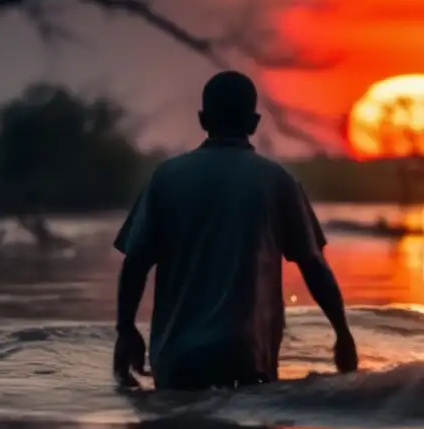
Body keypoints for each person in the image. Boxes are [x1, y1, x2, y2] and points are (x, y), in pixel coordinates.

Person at [111, 69, 358, 390]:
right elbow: (313, 265)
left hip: (178, 361)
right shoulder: (277, 181)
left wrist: (126, 330)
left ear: (203, 119)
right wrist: (342, 333)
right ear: (253, 123)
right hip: (246, 358)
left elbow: (135, 264)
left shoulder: (166, 178)